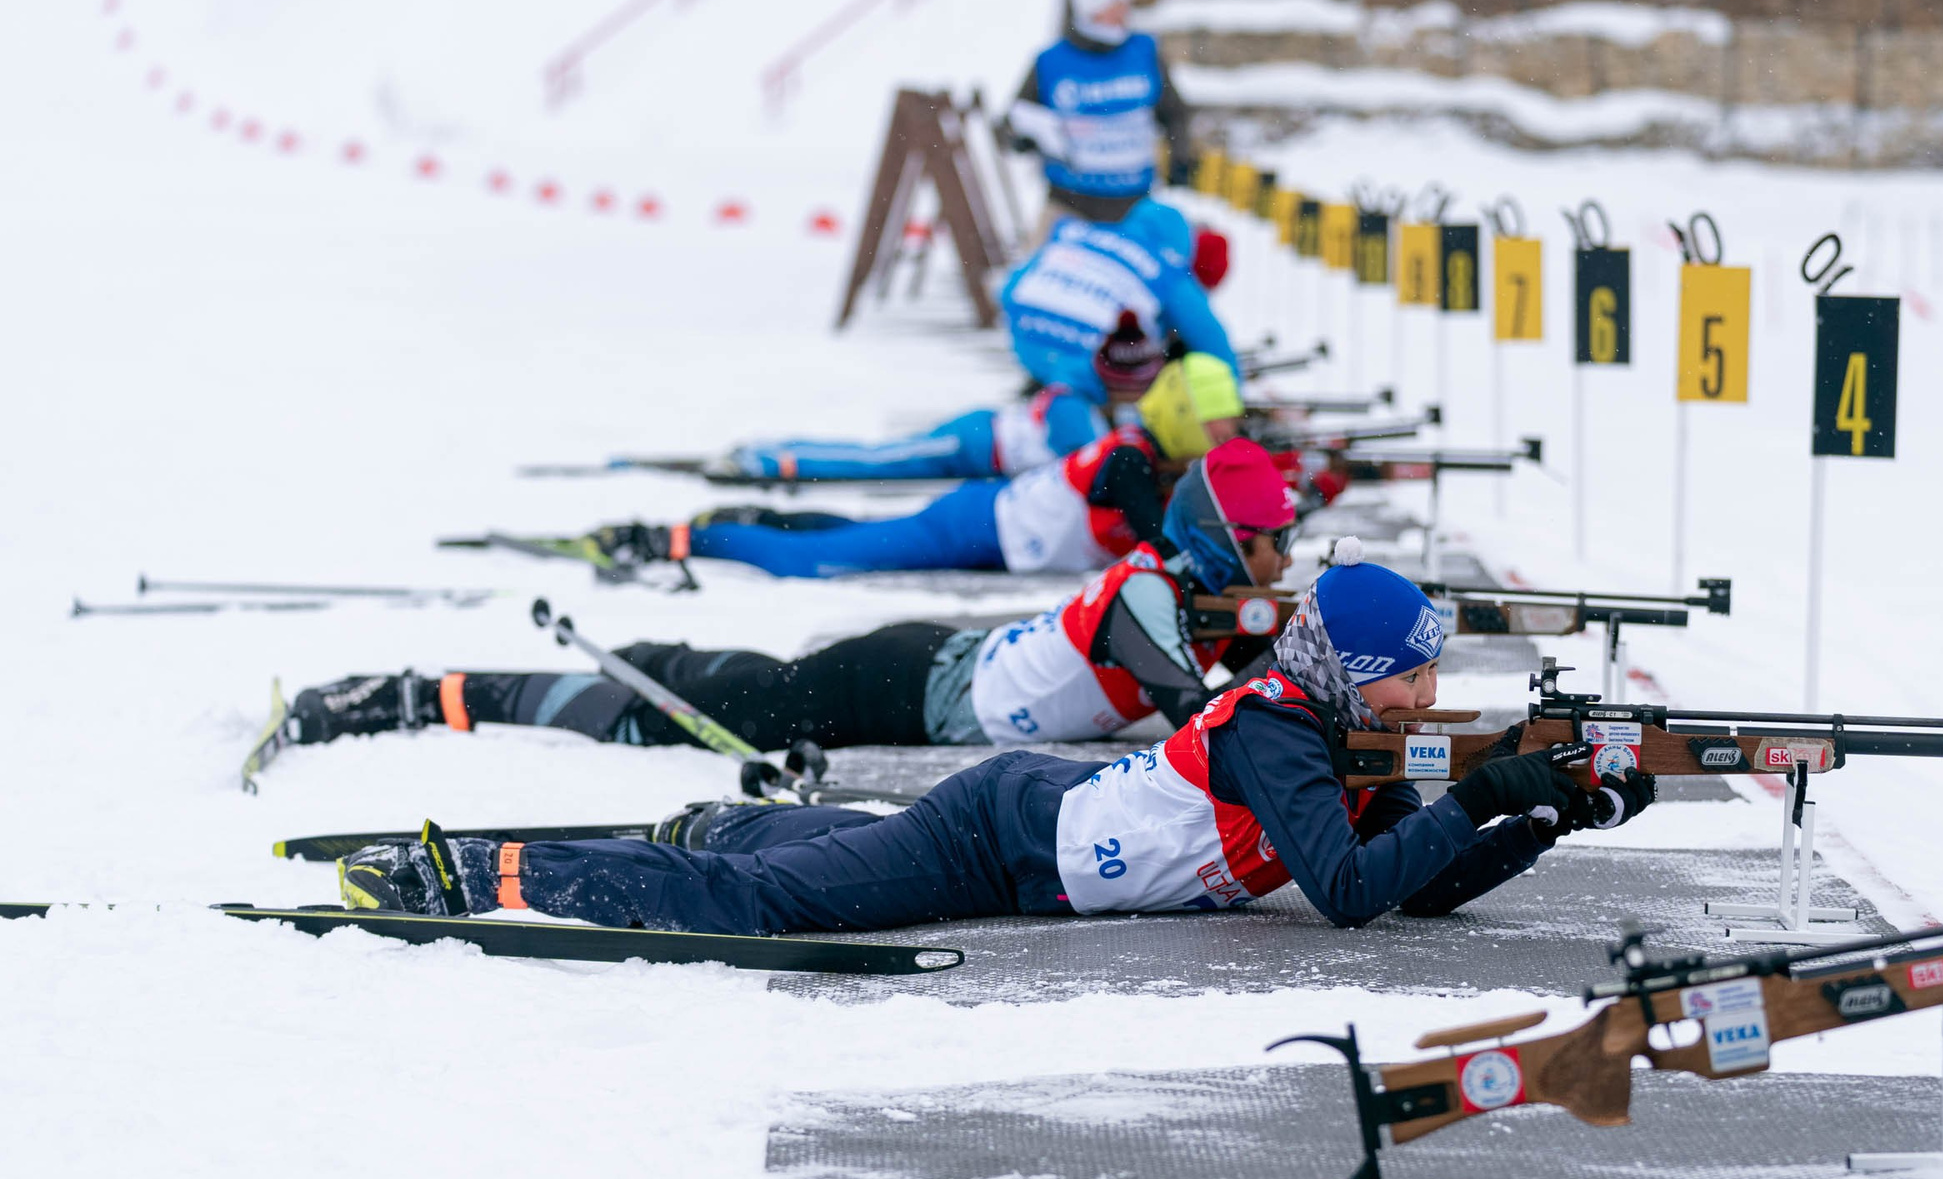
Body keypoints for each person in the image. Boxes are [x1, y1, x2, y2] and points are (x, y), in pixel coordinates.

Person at [338, 544, 1656, 931]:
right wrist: (1486, 780)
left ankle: (724, 820)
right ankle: (488, 872)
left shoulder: (1326, 738)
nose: (1431, 700)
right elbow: (1357, 896)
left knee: (819, 863)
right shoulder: (1278, 734)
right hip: (1008, 826)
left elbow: (1420, 884)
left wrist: (1542, 814)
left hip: (1035, 832)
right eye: (1416, 678)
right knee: (758, 909)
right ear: (1360, 674)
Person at [285, 444, 1297, 755]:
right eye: (1272, 542)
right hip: (900, 685)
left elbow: (1250, 690)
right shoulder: (1149, 598)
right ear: (1220, 539)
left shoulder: (1177, 594)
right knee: (679, 719)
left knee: (719, 693)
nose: (1281, 559)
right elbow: (1207, 721)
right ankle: (424, 693)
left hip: (927, 666)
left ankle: (652, 655)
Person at [565, 353, 1246, 581]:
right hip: (975, 529)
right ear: (1186, 416)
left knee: (852, 537)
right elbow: (1165, 540)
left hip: (987, 534)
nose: (1225, 437)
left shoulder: (1140, 455)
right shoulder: (1129, 462)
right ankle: (680, 538)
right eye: (1219, 425)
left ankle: (750, 518)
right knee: (819, 561)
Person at [719, 314, 1166, 486]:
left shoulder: (1090, 395)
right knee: (879, 460)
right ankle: (774, 459)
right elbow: (1098, 467)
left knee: (881, 458)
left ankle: (778, 454)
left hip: (981, 443)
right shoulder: (1075, 408)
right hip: (972, 443)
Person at [1008, 0, 1193, 225]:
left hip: (1136, 203)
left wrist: (1181, 158)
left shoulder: (1144, 51)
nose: (1123, 14)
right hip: (1069, 203)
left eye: (1125, 4)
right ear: (1091, 7)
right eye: (1114, 6)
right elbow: (1016, 119)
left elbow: (1174, 113)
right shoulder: (1051, 61)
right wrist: (1027, 137)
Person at [1001, 197, 1235, 403]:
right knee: (1132, 356)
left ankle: (1049, 382)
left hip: (1025, 334)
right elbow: (1208, 334)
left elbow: (1011, 286)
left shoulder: (1080, 233)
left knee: (1063, 370)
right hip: (1091, 360)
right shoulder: (1166, 266)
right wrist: (1231, 391)